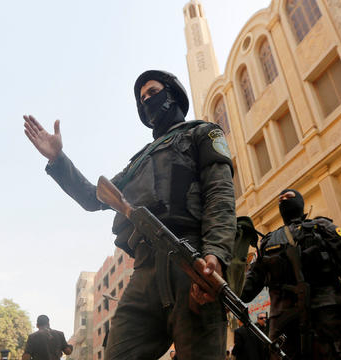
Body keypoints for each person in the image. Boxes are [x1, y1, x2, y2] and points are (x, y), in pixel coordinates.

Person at [23, 70, 236, 359]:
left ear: (172, 94)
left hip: (192, 262)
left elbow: (219, 195)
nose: (147, 99)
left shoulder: (202, 132)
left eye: (152, 91)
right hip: (145, 272)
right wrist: (58, 160)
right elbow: (92, 197)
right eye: (142, 98)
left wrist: (216, 254)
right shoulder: (137, 162)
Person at [241, 189, 341, 360]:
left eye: (289, 197)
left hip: (324, 308)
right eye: (280, 199)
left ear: (300, 202)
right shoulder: (268, 241)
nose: (283, 200)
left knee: (331, 354)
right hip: (284, 318)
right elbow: (251, 282)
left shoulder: (321, 227)